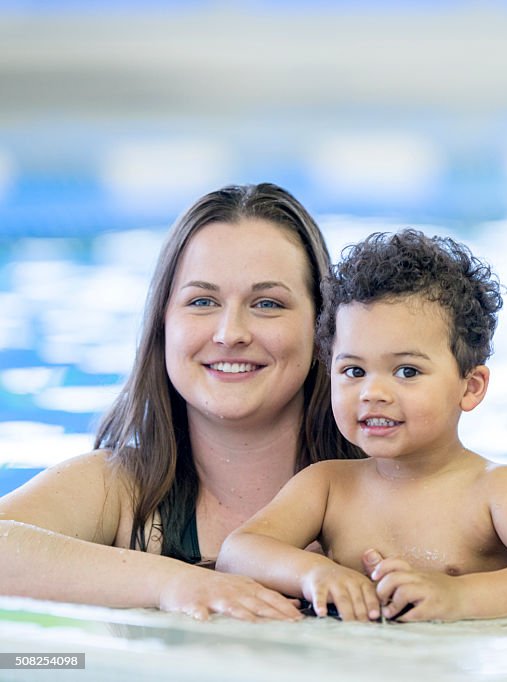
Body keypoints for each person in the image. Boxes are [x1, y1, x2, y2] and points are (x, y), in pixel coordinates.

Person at [0, 183, 362, 620]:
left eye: (267, 303)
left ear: (322, 328)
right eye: (202, 301)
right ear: (163, 325)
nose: (231, 333)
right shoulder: (122, 492)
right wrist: (175, 582)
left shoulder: (386, 491)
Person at [217, 229, 507, 622]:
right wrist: (314, 572)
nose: (373, 392)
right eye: (353, 370)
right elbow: (238, 553)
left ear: (470, 387)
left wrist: (458, 595)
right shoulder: (328, 486)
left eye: (406, 370)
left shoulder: (496, 489)